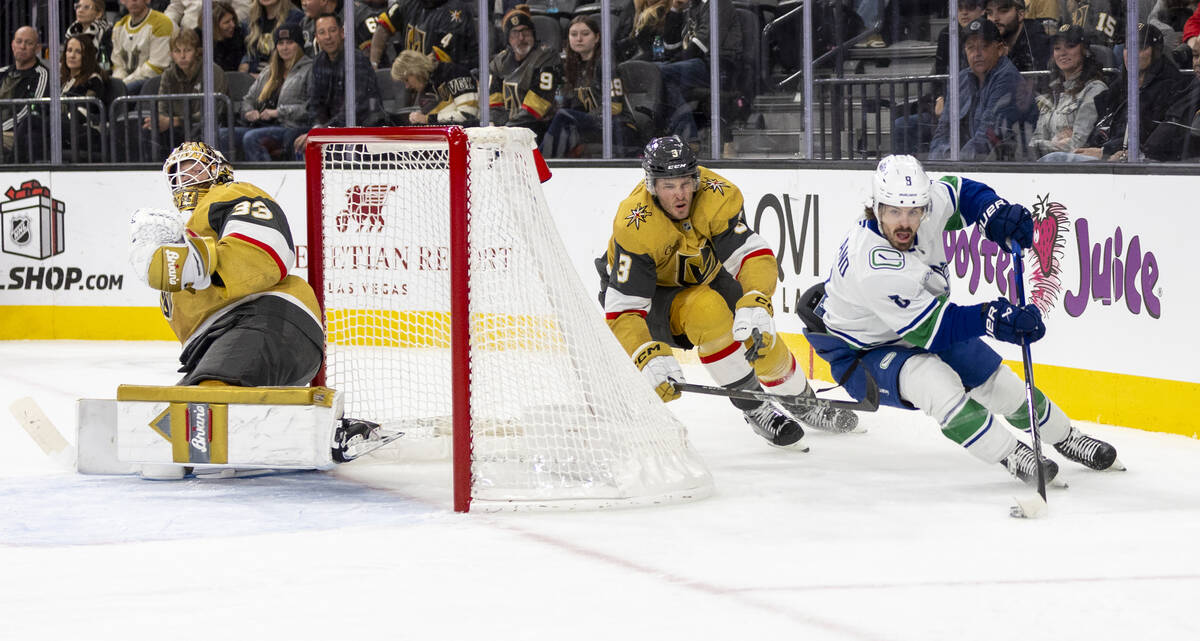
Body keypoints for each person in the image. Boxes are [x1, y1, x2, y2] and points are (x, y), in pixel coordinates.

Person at [800, 155, 1121, 487]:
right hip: (861, 350)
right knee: (934, 382)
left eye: (914, 212)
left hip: (914, 324)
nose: (905, 223)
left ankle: (1065, 435)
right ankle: (1011, 454)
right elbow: (934, 331)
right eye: (894, 211)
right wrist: (992, 319)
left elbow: (961, 192)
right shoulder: (873, 263)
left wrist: (992, 211)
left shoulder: (923, 207)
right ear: (877, 207)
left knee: (1002, 386)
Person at [125, 142, 389, 469]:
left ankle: (318, 433)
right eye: (175, 172)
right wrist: (176, 249)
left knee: (204, 407)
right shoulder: (189, 235)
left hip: (268, 318)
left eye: (192, 166)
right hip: (228, 338)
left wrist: (189, 262)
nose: (183, 176)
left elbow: (268, 249)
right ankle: (328, 430)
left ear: (219, 169)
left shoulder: (231, 194)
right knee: (171, 420)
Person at [597, 136, 858, 451]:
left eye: (685, 183)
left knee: (761, 335)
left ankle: (803, 402)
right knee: (708, 312)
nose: (680, 194)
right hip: (653, 295)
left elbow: (751, 254)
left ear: (695, 179)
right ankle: (755, 408)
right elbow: (624, 307)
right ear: (652, 186)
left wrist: (756, 298)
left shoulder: (716, 194)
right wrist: (644, 353)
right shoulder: (635, 222)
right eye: (669, 186)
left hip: (706, 273)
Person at [1042, 23, 1190, 161]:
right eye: (1127, 47)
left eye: (1140, 47)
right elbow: (1104, 124)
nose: (1131, 53)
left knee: (1054, 159)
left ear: (1156, 52)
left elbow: (1149, 137)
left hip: (1132, 162)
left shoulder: (1170, 87)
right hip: (1103, 153)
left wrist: (1104, 151)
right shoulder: (1118, 86)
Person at [893, 0, 987, 155]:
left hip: (975, 111)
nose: (963, 13)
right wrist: (940, 97)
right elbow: (940, 74)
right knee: (901, 125)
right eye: (959, 8)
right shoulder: (946, 34)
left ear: (982, 11)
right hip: (947, 108)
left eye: (969, 8)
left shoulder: (989, 34)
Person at [929, 17, 1031, 160]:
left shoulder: (1007, 79)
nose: (977, 53)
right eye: (971, 47)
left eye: (984, 46)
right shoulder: (960, 79)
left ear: (1000, 49)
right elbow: (943, 131)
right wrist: (940, 162)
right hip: (965, 164)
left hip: (1005, 166)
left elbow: (987, 137)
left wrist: (954, 165)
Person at [541, 15, 636, 158]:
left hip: (620, 128)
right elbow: (574, 107)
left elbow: (615, 107)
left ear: (597, 37)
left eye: (585, 34)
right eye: (574, 34)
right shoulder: (573, 68)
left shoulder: (606, 64)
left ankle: (540, 163)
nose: (579, 39)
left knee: (564, 117)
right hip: (594, 125)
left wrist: (582, 118)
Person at [292, 12, 381, 157]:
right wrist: (317, 128)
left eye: (332, 31)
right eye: (322, 32)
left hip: (359, 130)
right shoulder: (319, 62)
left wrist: (322, 131)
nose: (328, 37)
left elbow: (355, 110)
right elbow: (314, 103)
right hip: (330, 130)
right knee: (295, 140)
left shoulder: (356, 60)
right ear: (317, 38)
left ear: (342, 33)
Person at [654, 0, 742, 144]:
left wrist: (672, 63)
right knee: (658, 74)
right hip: (697, 63)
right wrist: (675, 10)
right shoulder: (692, 7)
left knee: (660, 72)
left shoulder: (718, 4)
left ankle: (687, 135)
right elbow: (670, 48)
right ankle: (687, 135)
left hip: (719, 66)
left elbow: (700, 46)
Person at [143, 27, 229, 161]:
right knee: (149, 130)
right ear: (171, 54)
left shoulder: (212, 71)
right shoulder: (168, 75)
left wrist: (176, 121)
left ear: (197, 52)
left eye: (187, 50)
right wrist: (160, 121)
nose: (182, 56)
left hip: (206, 128)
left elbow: (212, 112)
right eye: (177, 51)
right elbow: (163, 109)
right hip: (177, 128)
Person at [1029, 24, 1109, 159]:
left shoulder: (1095, 90)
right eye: (1057, 48)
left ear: (1084, 50)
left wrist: (1040, 145)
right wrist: (1053, 142)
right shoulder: (1051, 91)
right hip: (1044, 165)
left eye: (1070, 46)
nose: (1062, 53)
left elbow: (1076, 145)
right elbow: (1037, 137)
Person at [236, 23, 312, 160]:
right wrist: (249, 112)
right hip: (261, 125)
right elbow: (248, 99)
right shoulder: (269, 71)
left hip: (291, 126)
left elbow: (311, 108)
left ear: (300, 45)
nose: (285, 47)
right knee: (223, 135)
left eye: (290, 42)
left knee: (252, 138)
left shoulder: (309, 69)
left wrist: (277, 112)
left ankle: (263, 181)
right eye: (281, 43)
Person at [487, 5, 562, 143]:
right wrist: (499, 127)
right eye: (515, 33)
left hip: (537, 130)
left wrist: (505, 130)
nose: (521, 38)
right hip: (506, 130)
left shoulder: (546, 57)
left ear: (533, 33)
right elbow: (494, 104)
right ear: (508, 39)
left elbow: (536, 108)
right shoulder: (499, 62)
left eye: (525, 32)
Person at [369, 0, 477, 70]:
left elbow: (437, 58)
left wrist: (409, 74)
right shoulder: (409, 3)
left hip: (445, 79)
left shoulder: (456, 12)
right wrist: (373, 63)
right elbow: (383, 28)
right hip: (412, 76)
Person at [388, 49, 478, 126]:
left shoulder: (454, 73)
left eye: (406, 80)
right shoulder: (426, 86)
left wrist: (427, 119)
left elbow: (467, 116)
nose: (407, 87)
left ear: (414, 70)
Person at [0, 26, 48, 161]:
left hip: (15, 133)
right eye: (19, 41)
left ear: (37, 48)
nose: (23, 46)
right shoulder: (2, 73)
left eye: (28, 43)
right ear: (12, 45)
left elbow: (29, 110)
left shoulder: (41, 75)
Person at [111, 0, 177, 94]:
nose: (134, 1)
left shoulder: (162, 23)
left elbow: (156, 67)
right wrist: (119, 84)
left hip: (155, 83)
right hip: (128, 83)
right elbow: (118, 65)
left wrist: (124, 85)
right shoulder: (119, 27)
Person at [61, 34, 108, 159]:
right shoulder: (62, 81)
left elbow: (83, 112)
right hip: (64, 128)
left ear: (86, 56)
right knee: (32, 135)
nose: (72, 55)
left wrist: (56, 120)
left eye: (78, 52)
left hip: (86, 132)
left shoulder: (94, 80)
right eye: (69, 50)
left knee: (34, 123)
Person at [240, 0, 304, 75]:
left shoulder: (296, 18)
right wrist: (245, 63)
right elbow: (246, 52)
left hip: (281, 75)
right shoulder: (250, 20)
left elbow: (296, 55)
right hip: (253, 76)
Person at [986, 0, 1052, 71]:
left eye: (1003, 11)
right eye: (990, 13)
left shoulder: (1039, 45)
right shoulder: (989, 42)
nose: (995, 18)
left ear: (1020, 14)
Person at [64, 0, 113, 71]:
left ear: (98, 14)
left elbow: (106, 64)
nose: (80, 10)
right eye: (78, 6)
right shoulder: (71, 31)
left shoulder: (107, 33)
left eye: (86, 7)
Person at [208, 1, 248, 72]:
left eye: (232, 20)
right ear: (214, 25)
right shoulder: (201, 39)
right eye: (227, 22)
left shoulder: (238, 36)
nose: (232, 25)